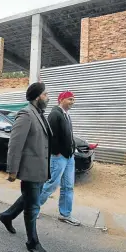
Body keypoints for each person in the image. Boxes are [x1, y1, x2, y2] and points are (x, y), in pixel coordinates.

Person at [0, 82, 53, 252]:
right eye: (45, 94)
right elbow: (15, 144)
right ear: (37, 97)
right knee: (32, 205)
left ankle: (7, 216)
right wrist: (12, 170)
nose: (48, 97)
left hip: (40, 168)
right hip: (30, 169)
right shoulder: (26, 114)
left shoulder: (40, 114)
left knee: (29, 197)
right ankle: (32, 242)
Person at [39, 91, 80, 226]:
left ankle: (65, 214)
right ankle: (34, 207)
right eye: (70, 99)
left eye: (73, 99)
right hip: (59, 157)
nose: (72, 102)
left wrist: (73, 148)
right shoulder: (55, 114)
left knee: (68, 186)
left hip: (69, 157)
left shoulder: (66, 115)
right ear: (61, 99)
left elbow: (68, 135)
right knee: (52, 184)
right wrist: (56, 152)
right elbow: (50, 136)